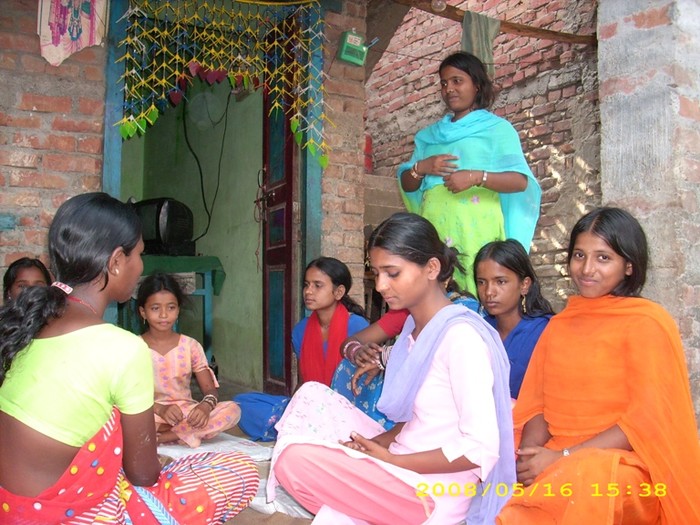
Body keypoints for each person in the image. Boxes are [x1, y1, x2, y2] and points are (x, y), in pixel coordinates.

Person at [0, 192, 258, 524]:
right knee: (240, 469)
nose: (141, 265)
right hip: (67, 514)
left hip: (10, 508)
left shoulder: (32, 324)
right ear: (117, 261)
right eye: (139, 253)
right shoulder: (123, 346)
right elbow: (143, 475)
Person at [267, 212, 515, 525]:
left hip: (430, 492)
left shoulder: (461, 338)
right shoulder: (414, 330)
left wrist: (393, 460)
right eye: (376, 273)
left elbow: (480, 448)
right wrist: (377, 445)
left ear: (431, 268)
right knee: (311, 399)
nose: (381, 285)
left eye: (392, 273)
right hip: (401, 460)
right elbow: (420, 420)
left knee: (295, 459)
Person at [497, 207, 700, 525]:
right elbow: (538, 407)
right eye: (579, 255)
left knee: (591, 479)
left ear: (628, 265)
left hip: (623, 465)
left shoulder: (647, 322)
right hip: (558, 455)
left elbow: (644, 422)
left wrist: (562, 458)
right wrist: (528, 459)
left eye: (603, 258)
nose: (587, 268)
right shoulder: (559, 326)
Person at [398, 51, 540, 296]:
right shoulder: (429, 136)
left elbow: (519, 181)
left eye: (457, 81)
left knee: (481, 292)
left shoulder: (497, 130)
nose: (449, 89)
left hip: (477, 230)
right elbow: (407, 185)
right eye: (444, 83)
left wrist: (476, 177)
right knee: (436, 293)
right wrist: (422, 167)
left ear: (477, 85)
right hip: (436, 229)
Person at [136, 272, 241, 448]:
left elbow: (210, 391)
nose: (164, 315)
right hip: (151, 411)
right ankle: (187, 433)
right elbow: (128, 393)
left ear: (178, 310)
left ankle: (164, 436)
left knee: (233, 410)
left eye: (171, 307)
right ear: (143, 312)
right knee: (116, 414)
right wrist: (160, 409)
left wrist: (205, 407)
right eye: (155, 308)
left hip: (185, 413)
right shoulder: (134, 347)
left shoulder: (190, 346)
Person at [474, 239, 554, 399]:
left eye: (500, 282)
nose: (489, 292)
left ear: (524, 285)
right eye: (482, 282)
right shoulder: (479, 331)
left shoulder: (545, 331)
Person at [292, 256, 369, 387]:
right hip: (313, 398)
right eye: (306, 285)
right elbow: (303, 383)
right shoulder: (300, 330)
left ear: (338, 292)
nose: (308, 291)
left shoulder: (357, 326)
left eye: (317, 285)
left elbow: (367, 380)